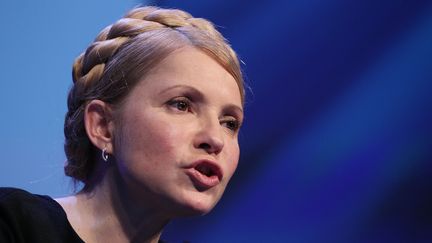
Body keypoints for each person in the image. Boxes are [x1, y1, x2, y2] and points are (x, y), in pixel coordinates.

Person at [0, 6, 245, 243]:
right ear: (103, 126)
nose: (215, 139)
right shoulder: (13, 224)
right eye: (181, 105)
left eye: (230, 123)